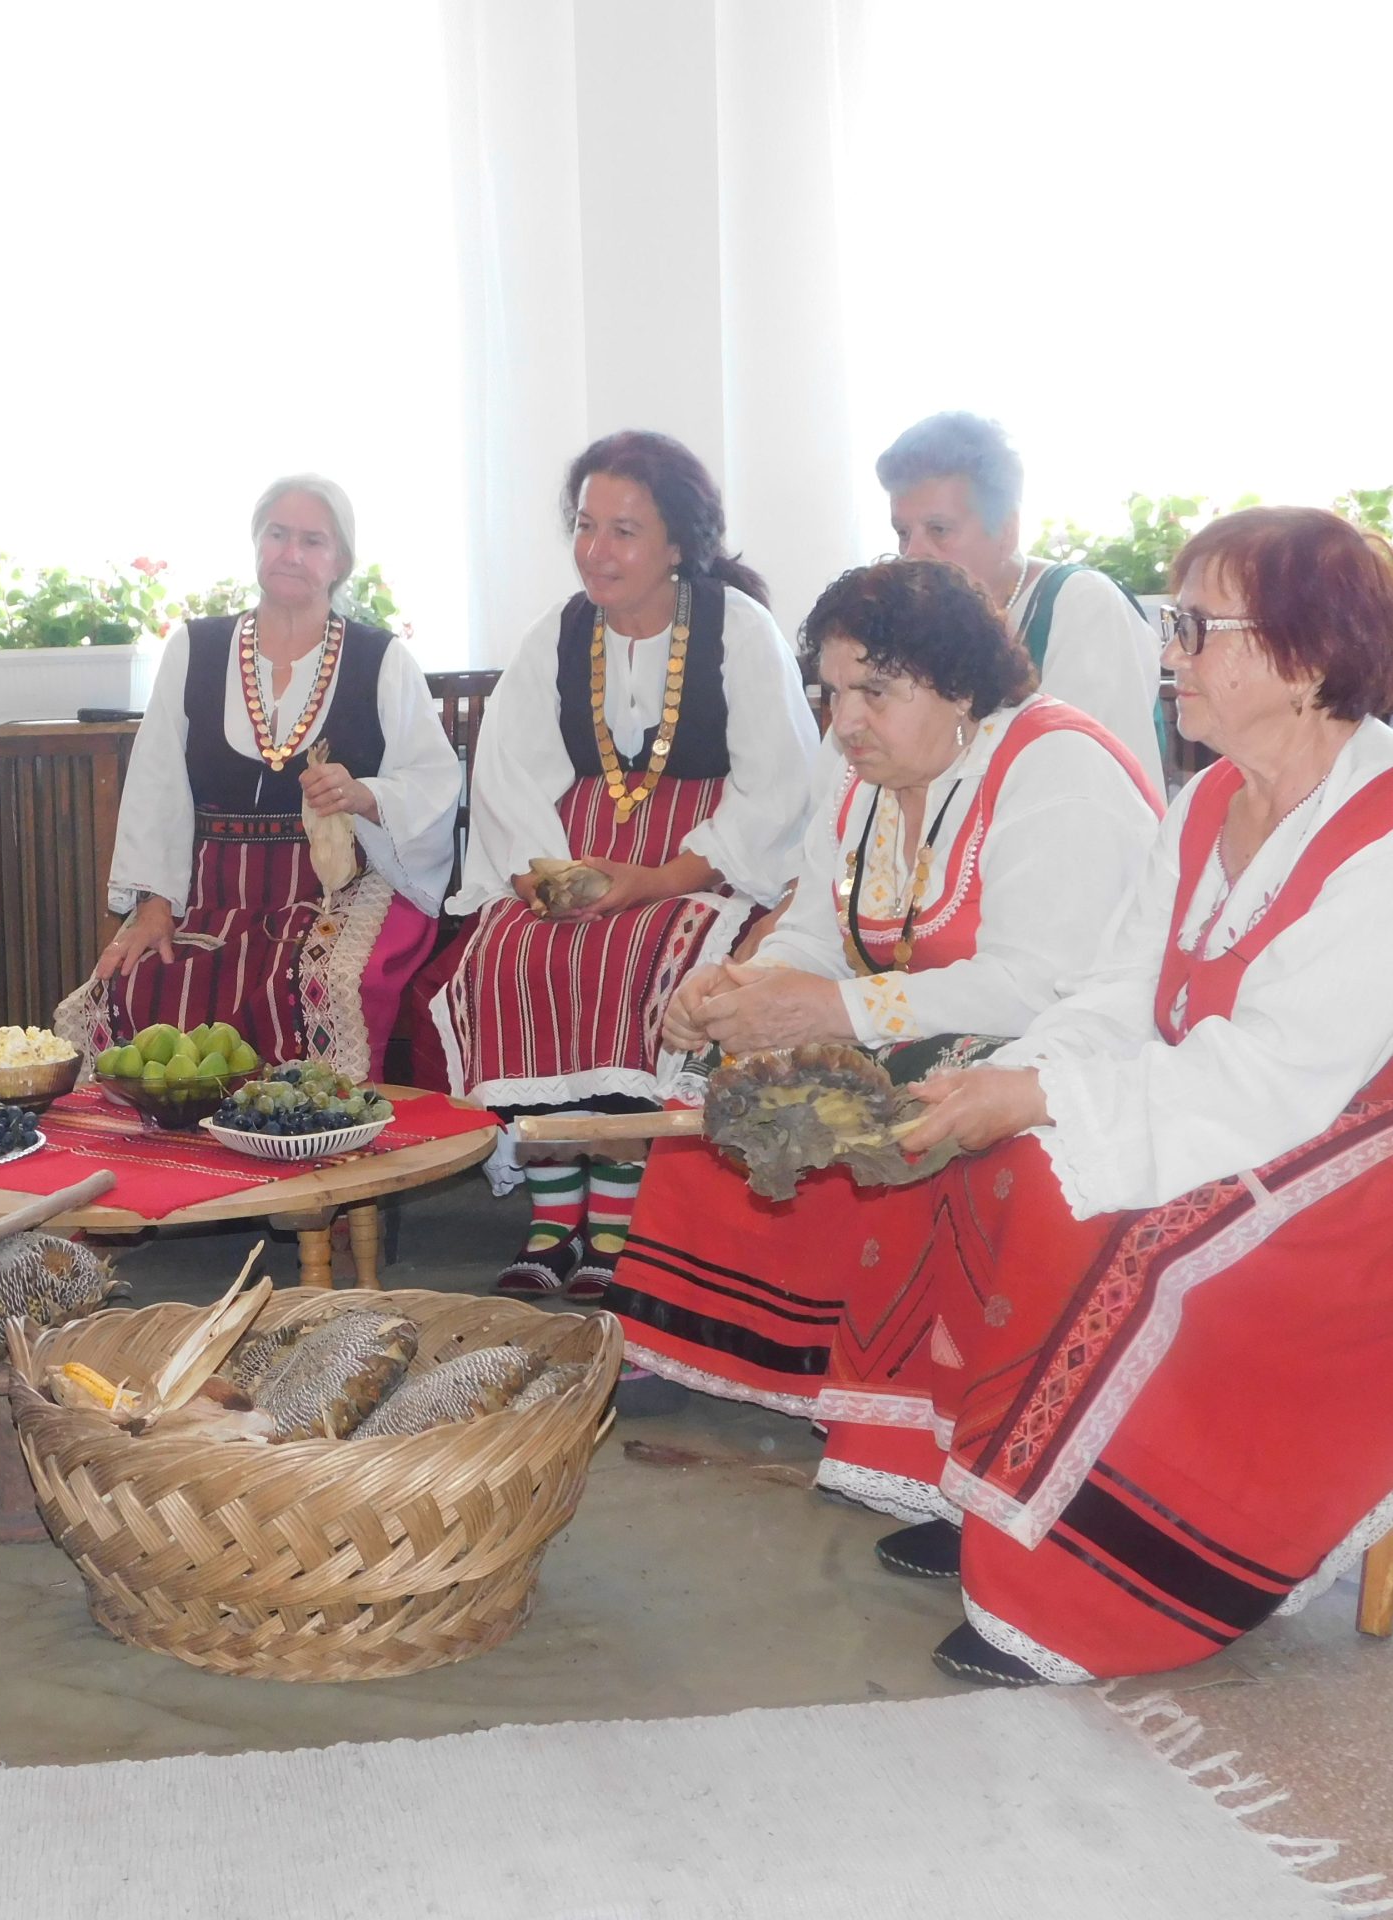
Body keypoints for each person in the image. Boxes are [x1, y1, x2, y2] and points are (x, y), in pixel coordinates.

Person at [881, 507, 1393, 1685]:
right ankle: (1011, 1491)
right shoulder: (1204, 803)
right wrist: (1014, 1076)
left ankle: (1095, 1578)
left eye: (1194, 627)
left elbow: (1273, 1076)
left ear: (1300, 655)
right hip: (1290, 1094)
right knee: (1006, 1175)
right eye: (1169, 623)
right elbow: (1119, 990)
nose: (1167, 653)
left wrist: (1046, 1102)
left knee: (1163, 1252)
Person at [600, 560, 1160, 1496]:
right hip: (945, 1023)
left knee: (907, 1084)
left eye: (875, 690)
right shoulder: (866, 778)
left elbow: (1038, 985)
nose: (844, 720)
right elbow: (820, 931)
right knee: (732, 1063)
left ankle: (904, 1410)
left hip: (1065, 1050)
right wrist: (735, 987)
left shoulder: (1056, 765)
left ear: (961, 686)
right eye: (832, 691)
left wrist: (836, 1011)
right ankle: (746, 1341)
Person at [437, 429, 817, 1298]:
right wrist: (542, 878)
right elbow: (507, 770)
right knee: (510, 951)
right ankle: (550, 1215)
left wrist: (654, 879)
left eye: (623, 531)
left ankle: (617, 1226)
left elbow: (777, 791)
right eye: (585, 525)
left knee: (648, 955)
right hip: (576, 857)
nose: (595, 552)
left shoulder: (740, 629)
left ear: (678, 545)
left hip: (700, 866)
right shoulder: (559, 635)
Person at [65, 474, 461, 1079]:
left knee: (318, 980)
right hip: (211, 889)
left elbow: (433, 780)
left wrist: (366, 795)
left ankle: (311, 1147)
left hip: (337, 888)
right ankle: (176, 1162)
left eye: (312, 540)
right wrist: (153, 902)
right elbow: (157, 785)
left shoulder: (380, 659)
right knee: (133, 981)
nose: (291, 553)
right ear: (256, 543)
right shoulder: (195, 649)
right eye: (277, 534)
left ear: (340, 562)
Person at [877, 411, 1164, 788]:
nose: (912, 553)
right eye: (902, 532)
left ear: (1007, 532)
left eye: (938, 529)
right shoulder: (917, 623)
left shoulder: (1081, 606)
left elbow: (1080, 779)